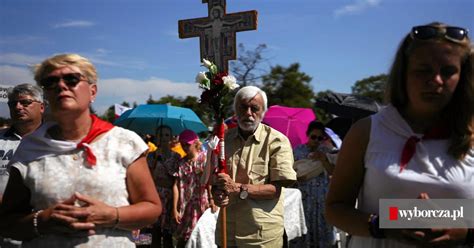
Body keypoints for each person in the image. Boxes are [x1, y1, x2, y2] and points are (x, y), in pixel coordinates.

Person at [326, 22, 474, 247]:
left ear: (463, 75)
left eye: (448, 71)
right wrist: (385, 223)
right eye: (423, 70)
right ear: (403, 73)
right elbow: (335, 208)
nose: (435, 81)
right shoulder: (367, 131)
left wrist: (462, 232)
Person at [0, 53, 162, 247]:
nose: (61, 85)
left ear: (93, 91)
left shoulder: (125, 142)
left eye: (71, 79)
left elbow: (152, 209)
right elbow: (7, 222)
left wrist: (112, 215)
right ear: (47, 95)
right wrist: (43, 221)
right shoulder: (30, 148)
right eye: (50, 81)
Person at [212, 86, 297, 247]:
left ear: (263, 112)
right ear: (235, 111)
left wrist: (237, 188)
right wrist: (216, 193)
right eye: (243, 107)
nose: (248, 113)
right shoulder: (224, 140)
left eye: (254, 108)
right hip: (227, 231)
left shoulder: (277, 141)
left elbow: (275, 190)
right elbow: (216, 182)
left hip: (261, 236)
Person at [0, 83, 44, 247]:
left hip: (44, 232)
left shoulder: (56, 141)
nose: (18, 107)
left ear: (41, 107)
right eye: (13, 104)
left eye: (25, 103)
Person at [291, 120, 341, 248]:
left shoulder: (327, 151)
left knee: (322, 229)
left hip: (321, 197)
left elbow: (333, 171)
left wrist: (323, 159)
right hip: (303, 197)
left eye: (320, 138)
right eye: (313, 137)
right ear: (307, 134)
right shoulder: (297, 151)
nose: (316, 140)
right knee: (304, 228)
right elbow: (291, 171)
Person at [172, 129, 214, 247]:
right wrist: (175, 208)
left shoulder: (204, 158)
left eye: (187, 144)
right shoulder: (181, 162)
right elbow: (176, 185)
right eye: (182, 144)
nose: (185, 147)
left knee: (201, 236)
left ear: (195, 143)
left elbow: (209, 181)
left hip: (201, 203)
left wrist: (211, 199)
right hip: (186, 206)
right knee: (184, 237)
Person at [150, 126, 181, 248]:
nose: (163, 138)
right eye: (161, 135)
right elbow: (149, 178)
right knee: (153, 232)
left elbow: (176, 181)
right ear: (157, 137)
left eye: (167, 135)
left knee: (168, 233)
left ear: (171, 138)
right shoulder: (151, 156)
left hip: (170, 197)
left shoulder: (176, 157)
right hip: (155, 195)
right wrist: (157, 159)